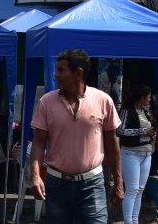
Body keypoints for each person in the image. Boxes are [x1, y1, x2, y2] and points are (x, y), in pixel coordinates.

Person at [30, 48, 123, 224]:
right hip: (56, 184)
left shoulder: (103, 100)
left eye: (61, 70)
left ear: (78, 73)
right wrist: (35, 176)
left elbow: (112, 146)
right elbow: (38, 143)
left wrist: (118, 182)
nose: (55, 75)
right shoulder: (46, 102)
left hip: (93, 184)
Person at [117, 85, 157, 224]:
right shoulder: (127, 110)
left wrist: (151, 132)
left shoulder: (145, 111)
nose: (150, 99)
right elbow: (120, 131)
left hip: (146, 154)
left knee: (140, 190)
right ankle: (128, 221)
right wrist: (142, 131)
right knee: (132, 189)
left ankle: (135, 220)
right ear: (142, 97)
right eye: (148, 97)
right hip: (130, 153)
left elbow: (148, 130)